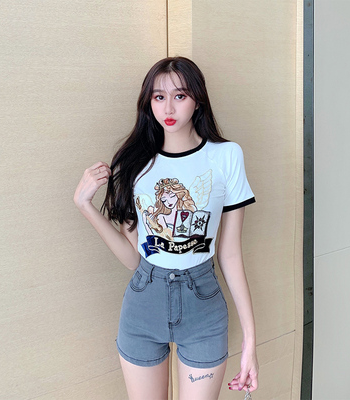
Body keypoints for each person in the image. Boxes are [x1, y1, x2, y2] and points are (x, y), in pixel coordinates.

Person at [73, 57, 259, 400]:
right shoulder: (133, 163)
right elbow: (133, 258)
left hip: (203, 304)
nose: (168, 108)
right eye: (159, 97)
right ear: (149, 102)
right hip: (144, 301)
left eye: (180, 96)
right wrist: (85, 206)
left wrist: (250, 341)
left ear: (198, 100)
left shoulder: (226, 156)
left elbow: (230, 254)